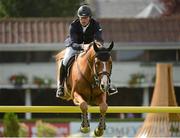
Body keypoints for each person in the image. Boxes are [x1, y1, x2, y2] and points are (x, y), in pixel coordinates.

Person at [56, 5, 117, 97]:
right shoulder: (73, 26)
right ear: (79, 17)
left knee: (103, 59)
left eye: (85, 18)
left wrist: (96, 44)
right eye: (81, 18)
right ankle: (60, 86)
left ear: (89, 18)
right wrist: (81, 46)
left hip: (91, 46)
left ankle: (108, 84)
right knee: (65, 61)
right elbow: (73, 42)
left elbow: (99, 38)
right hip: (75, 46)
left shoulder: (96, 24)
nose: (83, 20)